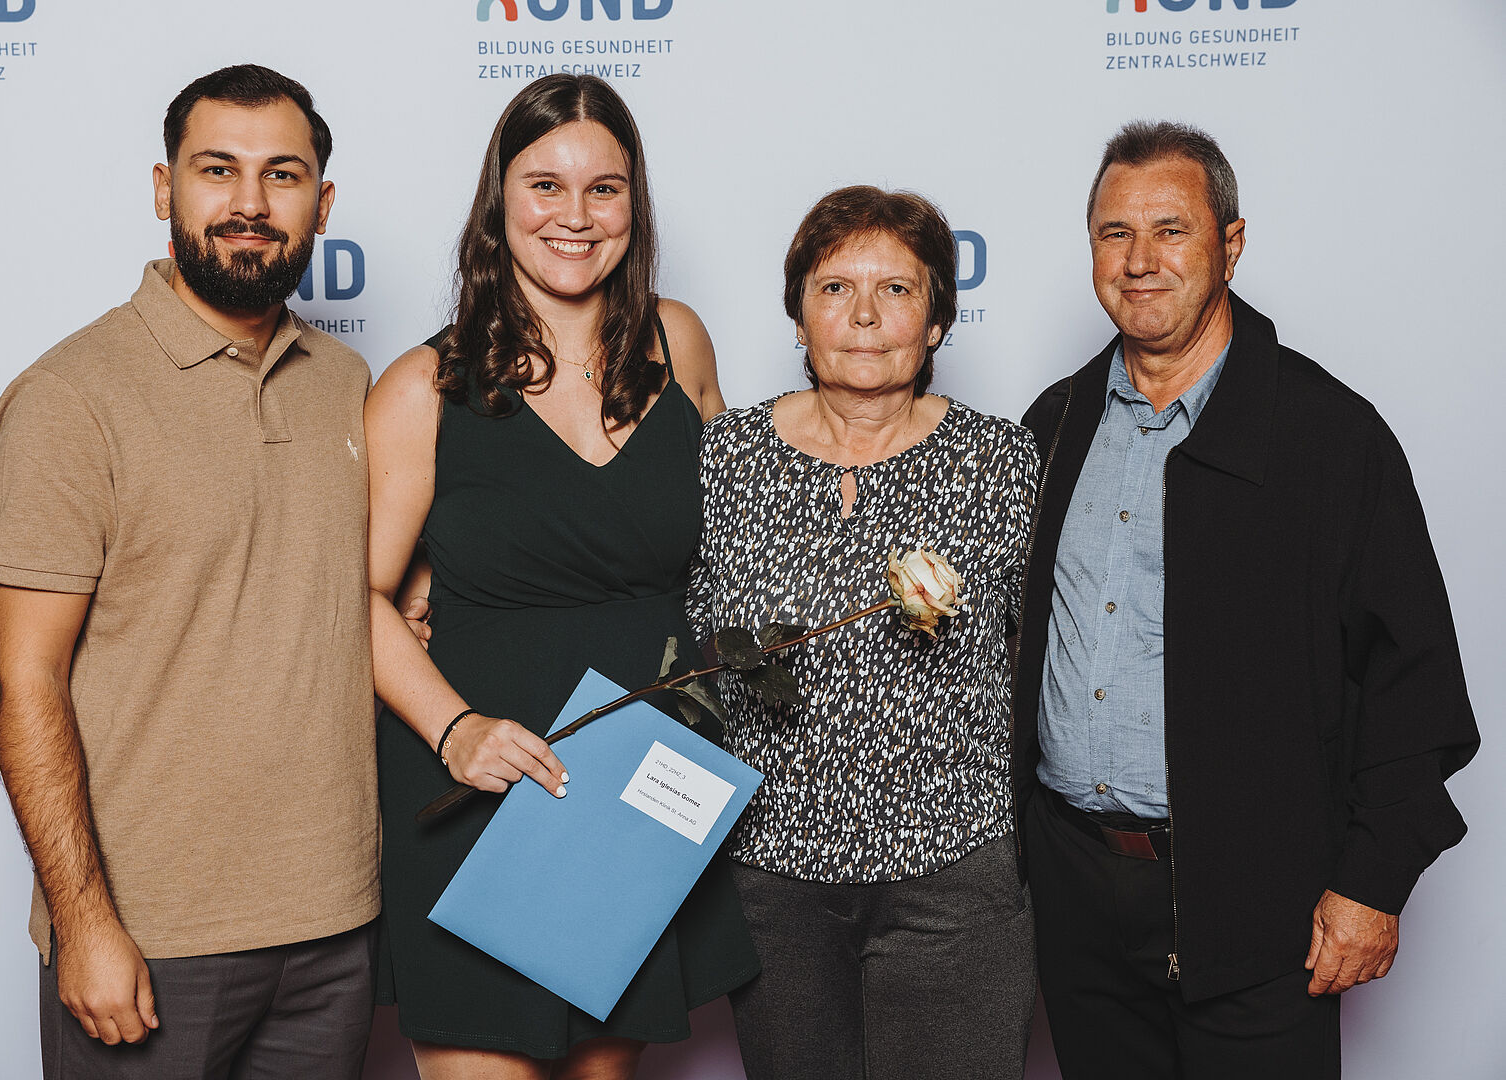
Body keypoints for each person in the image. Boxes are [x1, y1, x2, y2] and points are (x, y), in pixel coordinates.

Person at [1014, 120, 1479, 1080]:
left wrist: (1372, 882)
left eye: (1171, 230)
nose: (1139, 261)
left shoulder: (1328, 437)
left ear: (1230, 244)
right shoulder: (1056, 422)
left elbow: (1416, 684)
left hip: (1263, 910)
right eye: (1114, 233)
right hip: (1076, 899)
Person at [0, 65, 378, 1078]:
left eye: (282, 174)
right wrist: (83, 920)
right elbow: (24, 682)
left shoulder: (346, 383)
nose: (250, 202)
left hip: (336, 921)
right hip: (152, 933)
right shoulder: (71, 397)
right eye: (217, 170)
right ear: (165, 189)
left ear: (322, 201)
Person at [365, 73, 755, 1080]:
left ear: (635, 204)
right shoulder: (422, 387)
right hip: (479, 789)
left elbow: (736, 544)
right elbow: (353, 598)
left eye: (604, 189)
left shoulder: (680, 342)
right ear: (498, 201)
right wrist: (453, 729)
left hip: (634, 792)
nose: (575, 217)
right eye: (545, 186)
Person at [687, 186, 1040, 1080]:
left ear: (937, 319)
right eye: (836, 287)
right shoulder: (725, 457)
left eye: (897, 289)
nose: (866, 316)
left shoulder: (1000, 460)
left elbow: (1049, 655)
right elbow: (675, 632)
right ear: (799, 315)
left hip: (953, 874)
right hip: (773, 872)